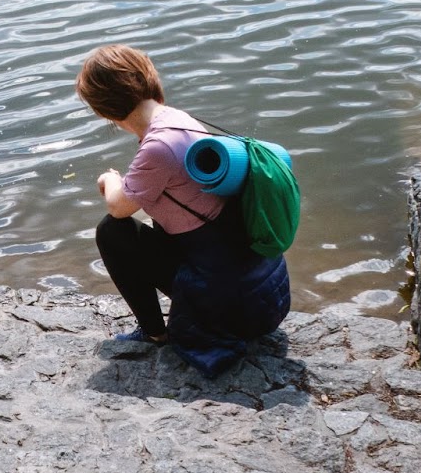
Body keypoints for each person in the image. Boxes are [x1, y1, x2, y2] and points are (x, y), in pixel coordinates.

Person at [77, 44, 290, 376]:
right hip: (268, 297)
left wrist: (109, 179)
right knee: (156, 215)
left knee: (111, 231)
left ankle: (154, 332)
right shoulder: (181, 119)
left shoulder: (157, 147)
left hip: (236, 311)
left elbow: (119, 208)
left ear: (105, 109)